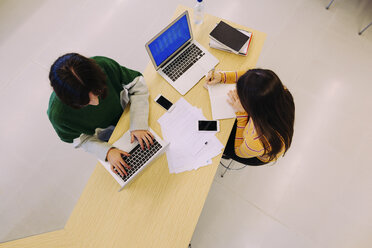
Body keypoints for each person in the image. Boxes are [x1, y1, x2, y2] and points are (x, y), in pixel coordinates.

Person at [47, 53, 154, 176]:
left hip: (129, 114)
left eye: (97, 92)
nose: (96, 102)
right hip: (109, 139)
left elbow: (137, 84)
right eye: (85, 102)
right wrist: (107, 152)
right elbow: (82, 140)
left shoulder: (103, 65)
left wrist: (138, 123)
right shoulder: (58, 116)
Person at [205, 69, 295, 165]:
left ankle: (225, 154)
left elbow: (238, 151)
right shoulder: (279, 91)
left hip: (252, 152)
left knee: (219, 136)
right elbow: (252, 77)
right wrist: (223, 77)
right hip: (263, 131)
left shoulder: (257, 141)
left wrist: (242, 115)